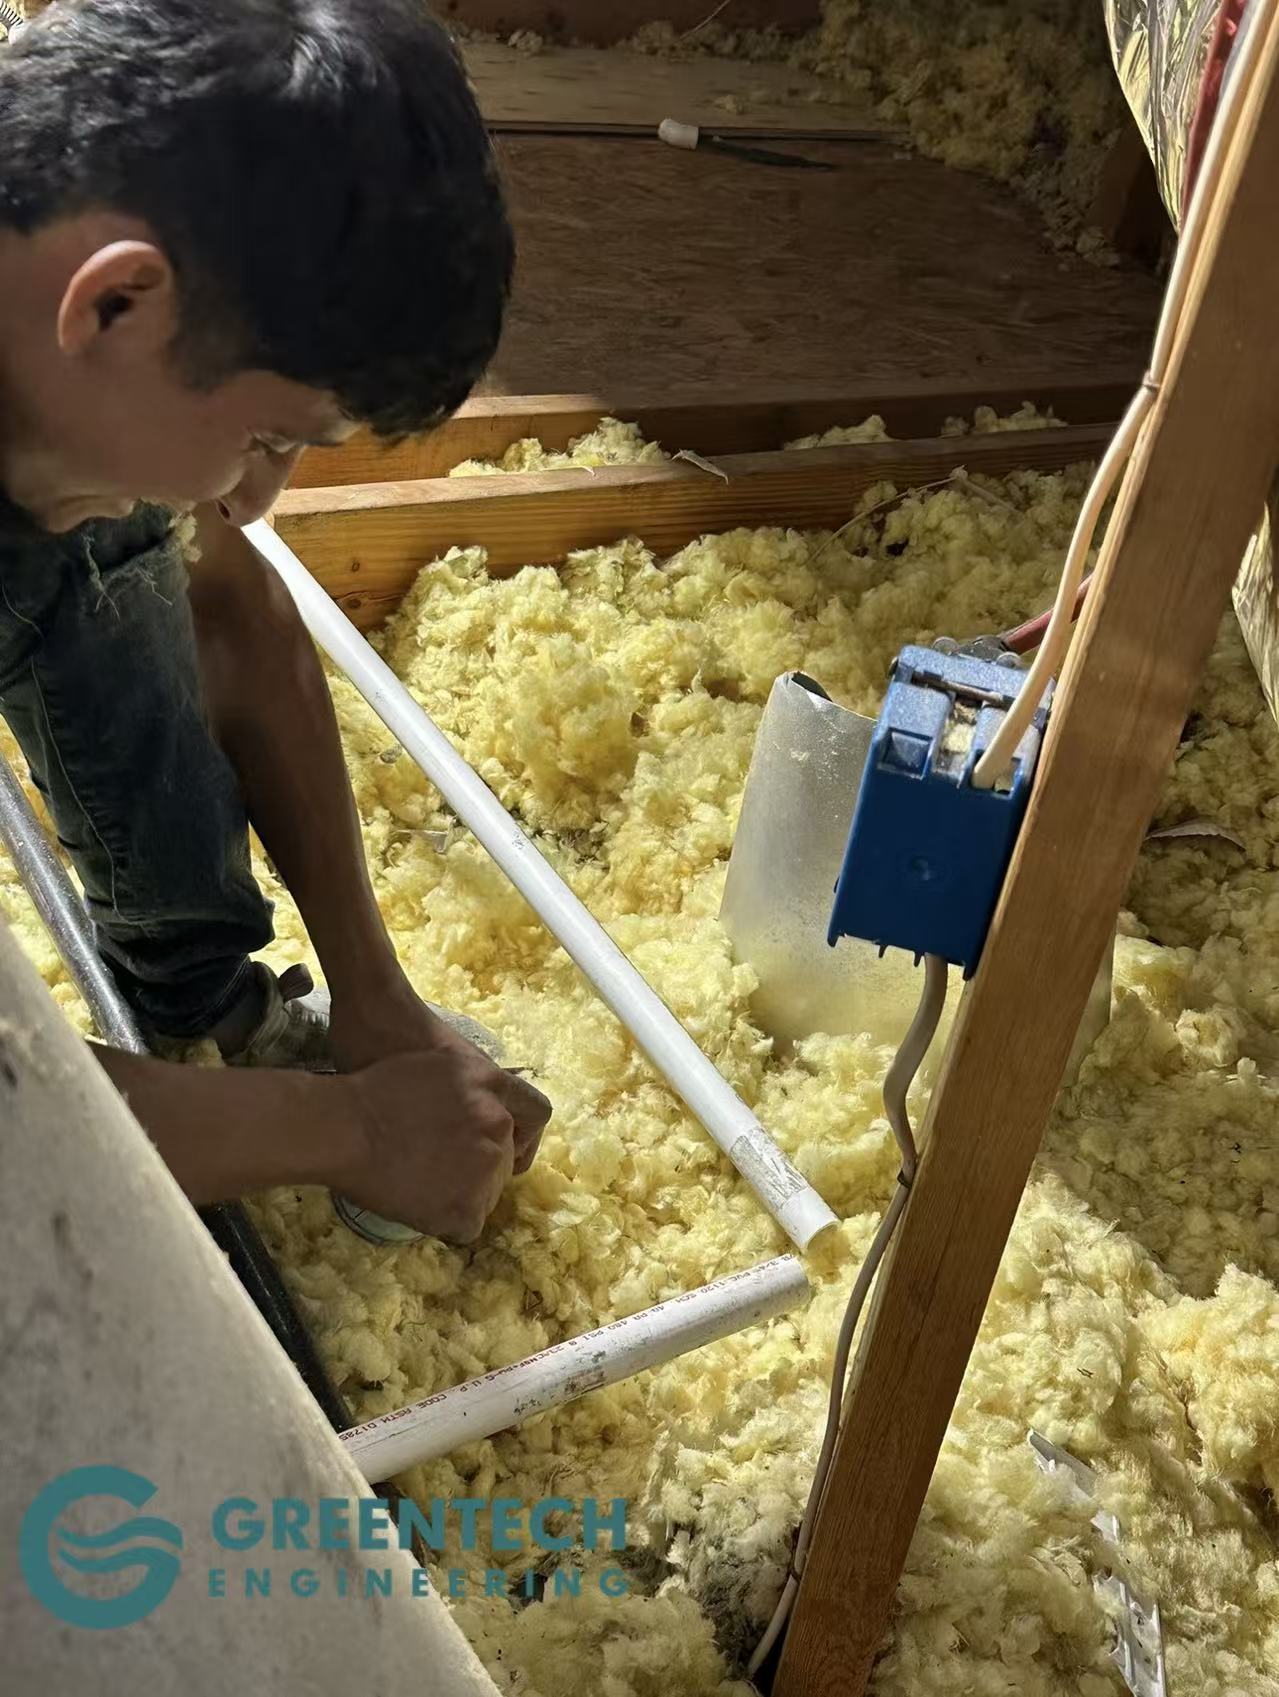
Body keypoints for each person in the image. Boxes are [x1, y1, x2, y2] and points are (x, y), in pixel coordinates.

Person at [0, 0, 551, 1243]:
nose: (254, 495)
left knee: (113, 528)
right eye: (266, 437)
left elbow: (227, 603)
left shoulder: (45, 280)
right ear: (117, 303)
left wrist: (375, 997)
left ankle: (201, 993)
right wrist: (351, 1131)